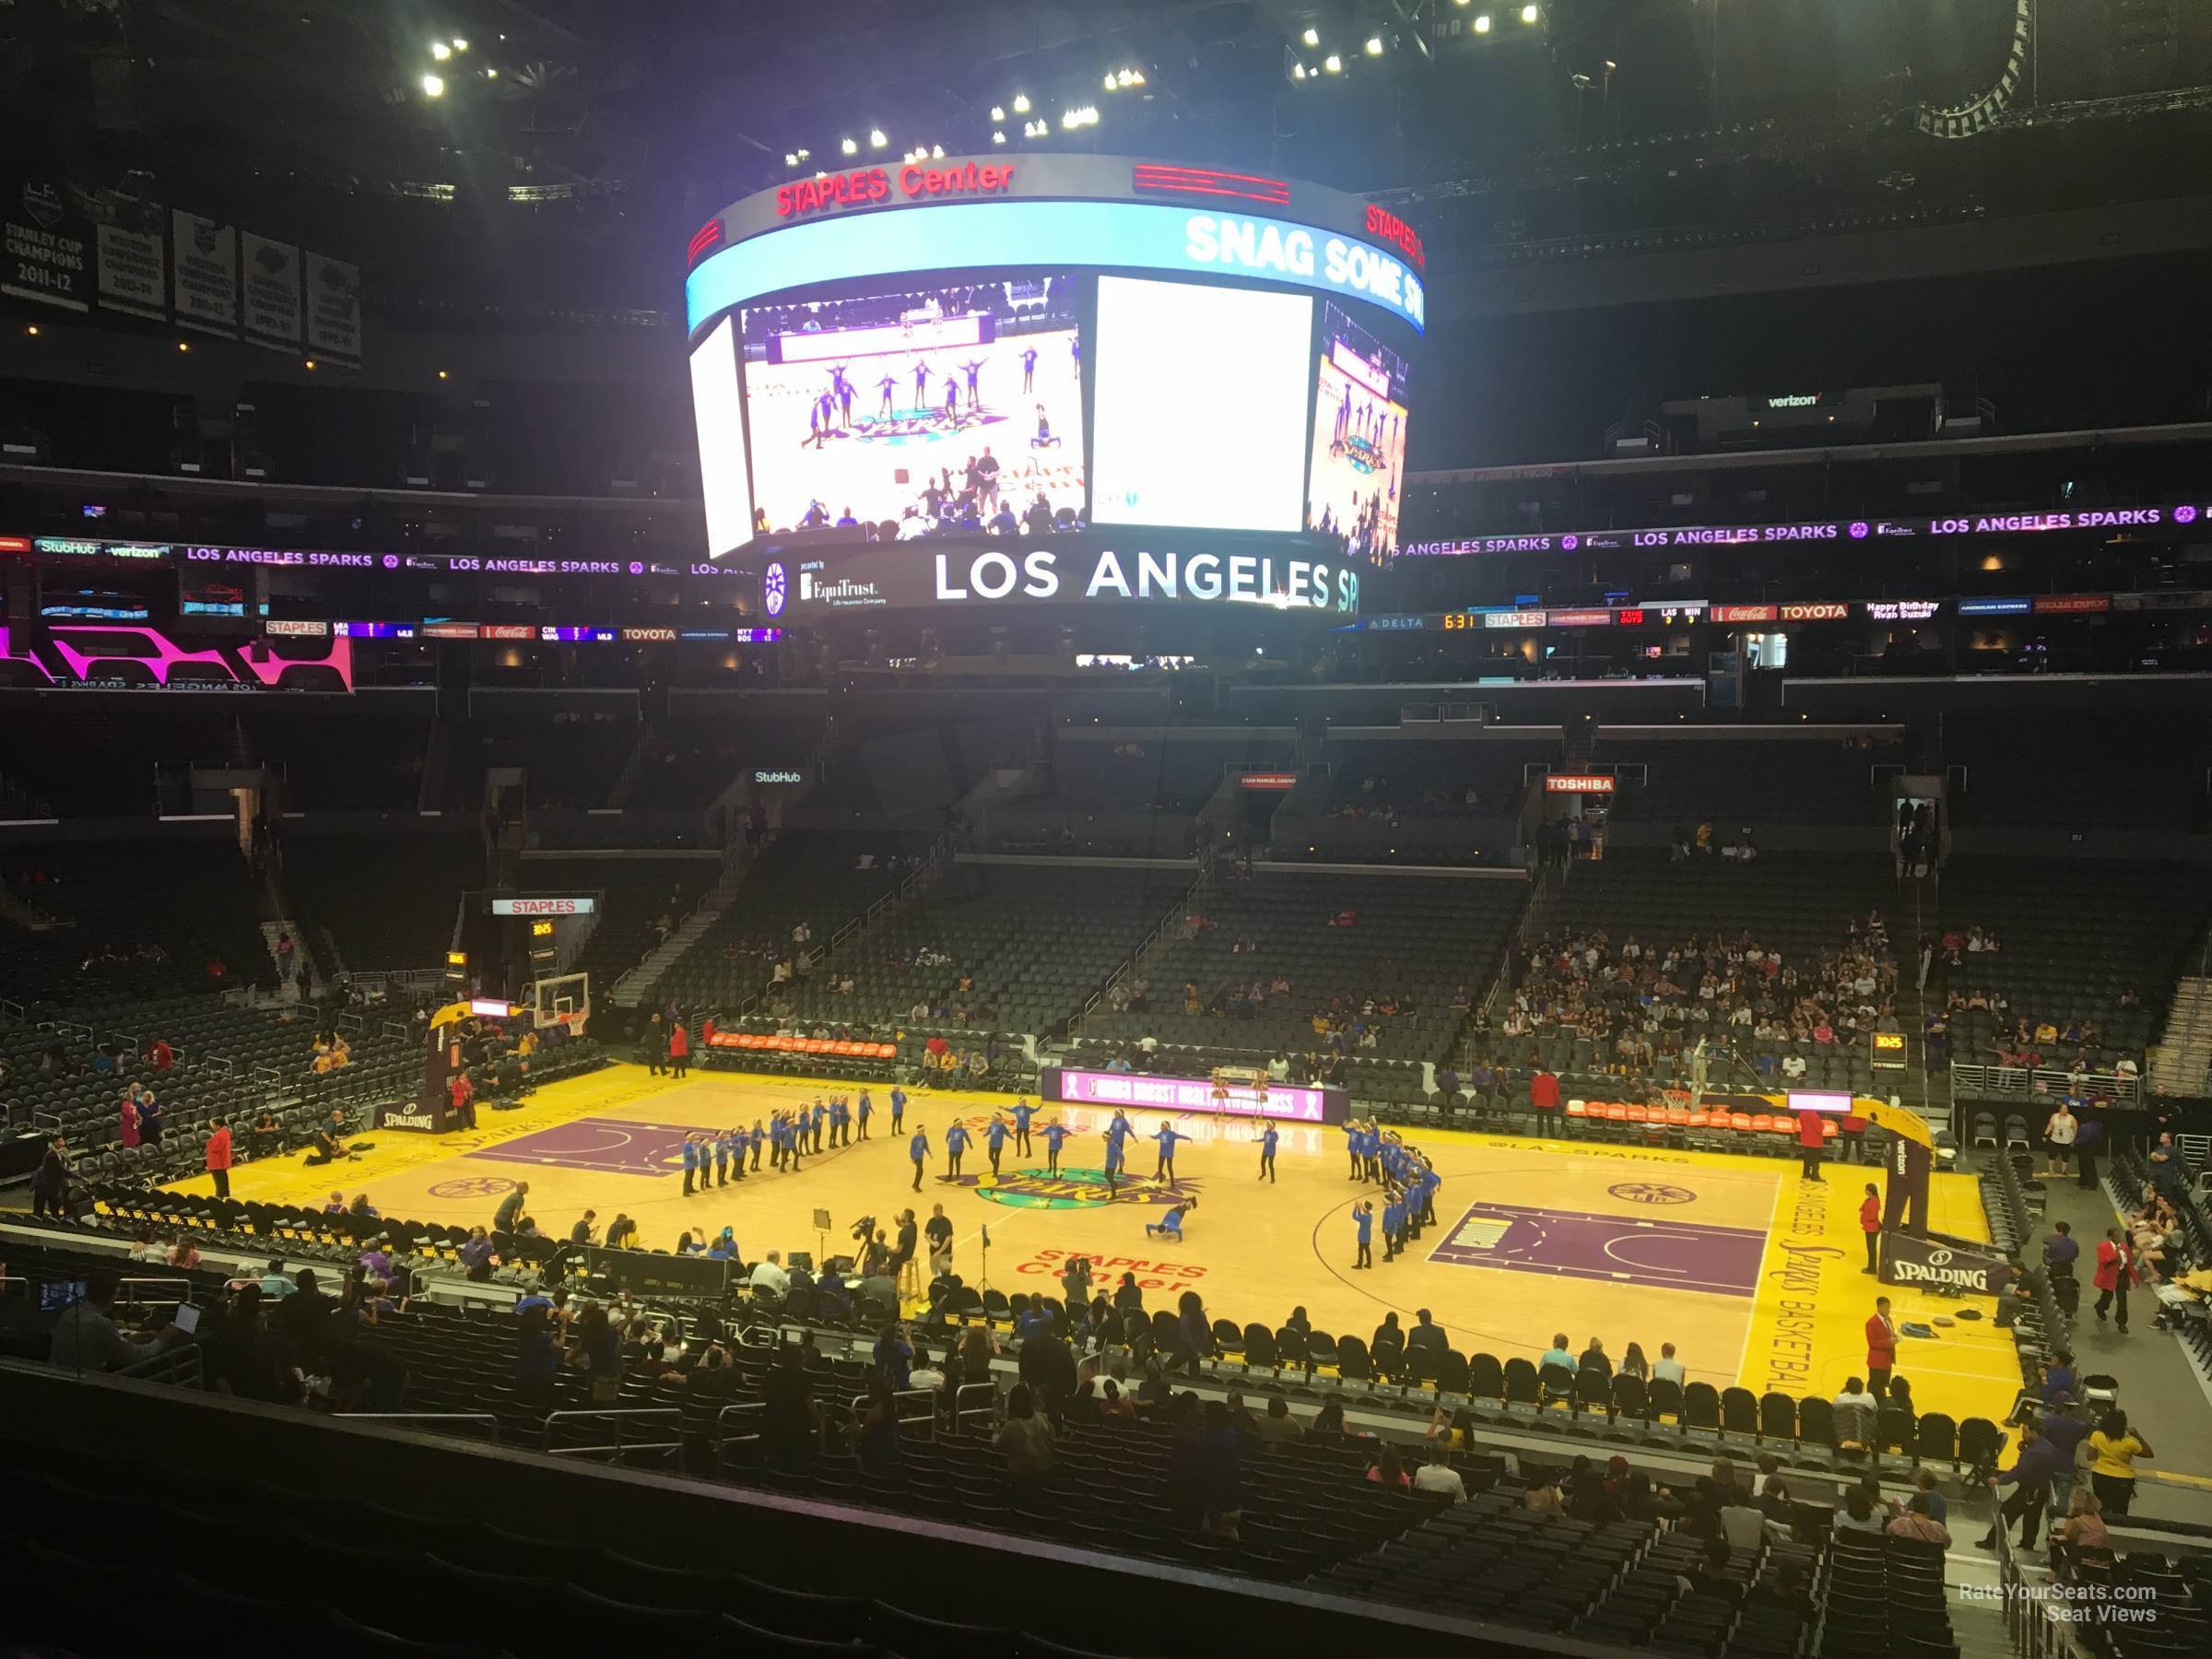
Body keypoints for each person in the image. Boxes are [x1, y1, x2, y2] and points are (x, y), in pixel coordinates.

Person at [48, 1271, 176, 1371]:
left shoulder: (68, 1313)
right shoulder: (101, 1324)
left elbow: (98, 1344)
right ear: (110, 1296)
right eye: (116, 1295)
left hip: (58, 1375)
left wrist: (129, 1340)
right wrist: (162, 1339)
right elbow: (136, 1355)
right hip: (88, 1382)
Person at [1983, 1419, 2059, 1549]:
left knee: (2007, 1512)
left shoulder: (2035, 1452)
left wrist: (1999, 1480)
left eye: (2025, 1432)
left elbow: (2019, 1472)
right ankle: (2027, 1544)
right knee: (2032, 1518)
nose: (2023, 1435)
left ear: (2034, 1432)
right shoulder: (2047, 1446)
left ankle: (1992, 1542)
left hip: (2030, 1489)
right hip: (2041, 1488)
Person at [2087, 1410, 2150, 1516]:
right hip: (2123, 1480)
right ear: (2123, 1425)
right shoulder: (2129, 1442)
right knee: (2120, 1511)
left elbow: (2090, 1456)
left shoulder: (2097, 1436)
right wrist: (2137, 1436)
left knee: (2101, 1508)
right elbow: (2148, 1453)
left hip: (2100, 1476)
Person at [998, 1383, 1057, 1480]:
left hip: (1020, 1476)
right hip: (1045, 1472)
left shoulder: (1011, 1426)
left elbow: (998, 1446)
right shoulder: (1043, 1418)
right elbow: (1053, 1438)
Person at [2092, 1228, 2136, 1333]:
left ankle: (2122, 1323)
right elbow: (2103, 1261)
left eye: (2119, 1236)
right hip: (2109, 1277)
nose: (2119, 1238)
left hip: (2121, 1276)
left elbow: (2129, 1262)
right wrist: (2115, 1253)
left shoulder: (2124, 1247)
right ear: (2110, 1237)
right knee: (2107, 1297)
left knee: (2122, 1300)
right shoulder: (2102, 1247)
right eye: (2116, 1236)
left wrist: (2134, 1277)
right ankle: (2100, 1307)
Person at [1865, 1296, 1897, 1401]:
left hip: (1887, 1360)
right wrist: (1889, 1343)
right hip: (1877, 1362)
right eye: (1886, 1307)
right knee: (1875, 1388)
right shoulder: (1871, 1323)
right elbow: (1872, 1343)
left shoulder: (1889, 1320)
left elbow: (1889, 1335)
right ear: (1879, 1307)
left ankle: (1881, 1405)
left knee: (1883, 1386)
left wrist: (1894, 1338)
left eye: (1889, 1307)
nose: (1889, 1310)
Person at [2042, 1100, 2078, 1178]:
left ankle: (2063, 1171)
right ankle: (2050, 1170)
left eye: (2066, 1109)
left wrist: (2074, 1140)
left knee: (2065, 1157)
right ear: (2060, 1109)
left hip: (2066, 1141)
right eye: (2063, 1108)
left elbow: (2075, 1130)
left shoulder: (2072, 1118)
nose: (2065, 1110)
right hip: (2055, 1140)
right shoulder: (2054, 1116)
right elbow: (2050, 1126)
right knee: (2051, 1155)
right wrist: (2045, 1135)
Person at [1794, 1109, 1826, 1182]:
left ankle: (1806, 1173)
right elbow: (1819, 1128)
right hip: (1815, 1140)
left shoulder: (1802, 1114)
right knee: (1815, 1159)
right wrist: (1822, 1124)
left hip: (1805, 1138)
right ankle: (1815, 1176)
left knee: (1807, 1157)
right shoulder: (1815, 1116)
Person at [1858, 1182, 1881, 1275]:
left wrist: (1863, 1214)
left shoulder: (1874, 1202)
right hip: (1869, 1228)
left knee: (1871, 1249)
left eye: (1866, 1189)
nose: (1865, 1191)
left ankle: (1872, 1269)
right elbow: (1864, 1208)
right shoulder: (1869, 1200)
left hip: (1872, 1229)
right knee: (1870, 1249)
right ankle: (1871, 1267)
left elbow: (1872, 1216)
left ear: (1870, 1191)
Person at [924, 1204, 953, 1277]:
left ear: (941, 1211)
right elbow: (926, 1234)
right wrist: (932, 1242)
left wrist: (940, 1251)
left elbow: (948, 1238)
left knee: (944, 1271)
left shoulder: (946, 1223)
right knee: (934, 1271)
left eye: (938, 1212)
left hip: (945, 1252)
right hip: (933, 1252)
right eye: (935, 1212)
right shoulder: (931, 1221)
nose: (936, 1214)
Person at [1352, 1199, 1373, 1269]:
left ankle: (1359, 1264)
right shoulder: (1370, 1215)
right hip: (1367, 1236)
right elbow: (1360, 1216)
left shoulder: (1363, 1217)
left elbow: (1354, 1217)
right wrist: (1359, 1209)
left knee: (1360, 1251)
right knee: (1367, 1250)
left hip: (1362, 1236)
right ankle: (1369, 1263)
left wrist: (1356, 1208)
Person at [909, 1124, 930, 1193]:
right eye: (922, 1130)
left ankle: (915, 1184)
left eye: (924, 1130)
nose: (923, 1132)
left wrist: (929, 1153)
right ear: (918, 1131)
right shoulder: (914, 1139)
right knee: (920, 1171)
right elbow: (912, 1149)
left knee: (920, 1171)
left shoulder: (924, 1137)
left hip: (921, 1156)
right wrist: (912, 1158)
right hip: (916, 1157)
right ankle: (916, 1185)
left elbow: (925, 1146)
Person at [1257, 1118, 1278, 1182]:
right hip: (1265, 1151)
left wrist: (1272, 1133)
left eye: (1268, 1125)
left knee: (1270, 1165)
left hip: (1271, 1152)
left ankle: (1273, 1179)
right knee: (1262, 1163)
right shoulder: (1266, 1132)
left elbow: (1275, 1140)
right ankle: (1264, 1173)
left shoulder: (1275, 1133)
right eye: (1267, 1125)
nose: (1267, 1126)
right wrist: (1256, 1140)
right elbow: (1264, 1139)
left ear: (1272, 1126)